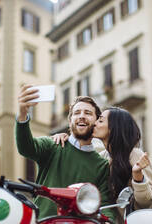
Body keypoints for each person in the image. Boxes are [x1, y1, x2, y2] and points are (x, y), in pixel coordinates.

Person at [15, 84, 116, 221]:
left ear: (96, 121)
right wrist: (22, 113)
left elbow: (105, 205)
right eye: (77, 113)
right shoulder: (53, 145)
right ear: (70, 121)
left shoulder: (102, 165)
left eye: (88, 113)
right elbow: (26, 148)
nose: (81, 116)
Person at [53, 107, 152, 220]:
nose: (94, 123)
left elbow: (147, 202)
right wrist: (66, 140)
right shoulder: (103, 156)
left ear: (113, 128)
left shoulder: (134, 155)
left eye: (100, 121)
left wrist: (137, 176)